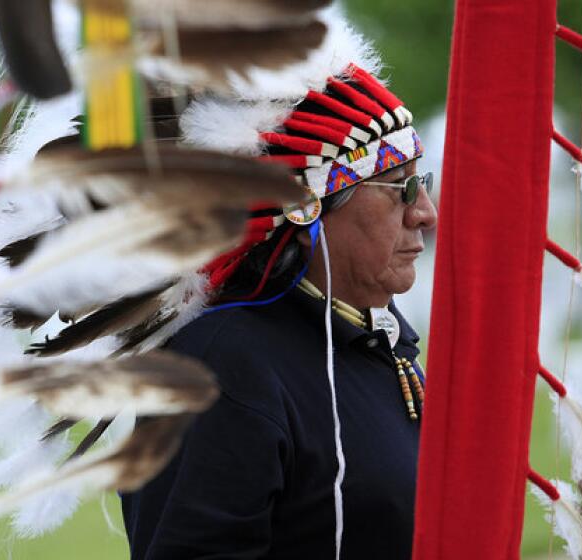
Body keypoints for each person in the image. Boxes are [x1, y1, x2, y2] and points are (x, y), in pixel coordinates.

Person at [120, 60, 438, 559]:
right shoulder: (218, 367)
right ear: (310, 204)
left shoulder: (377, 339)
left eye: (424, 184)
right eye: (401, 189)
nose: (425, 213)